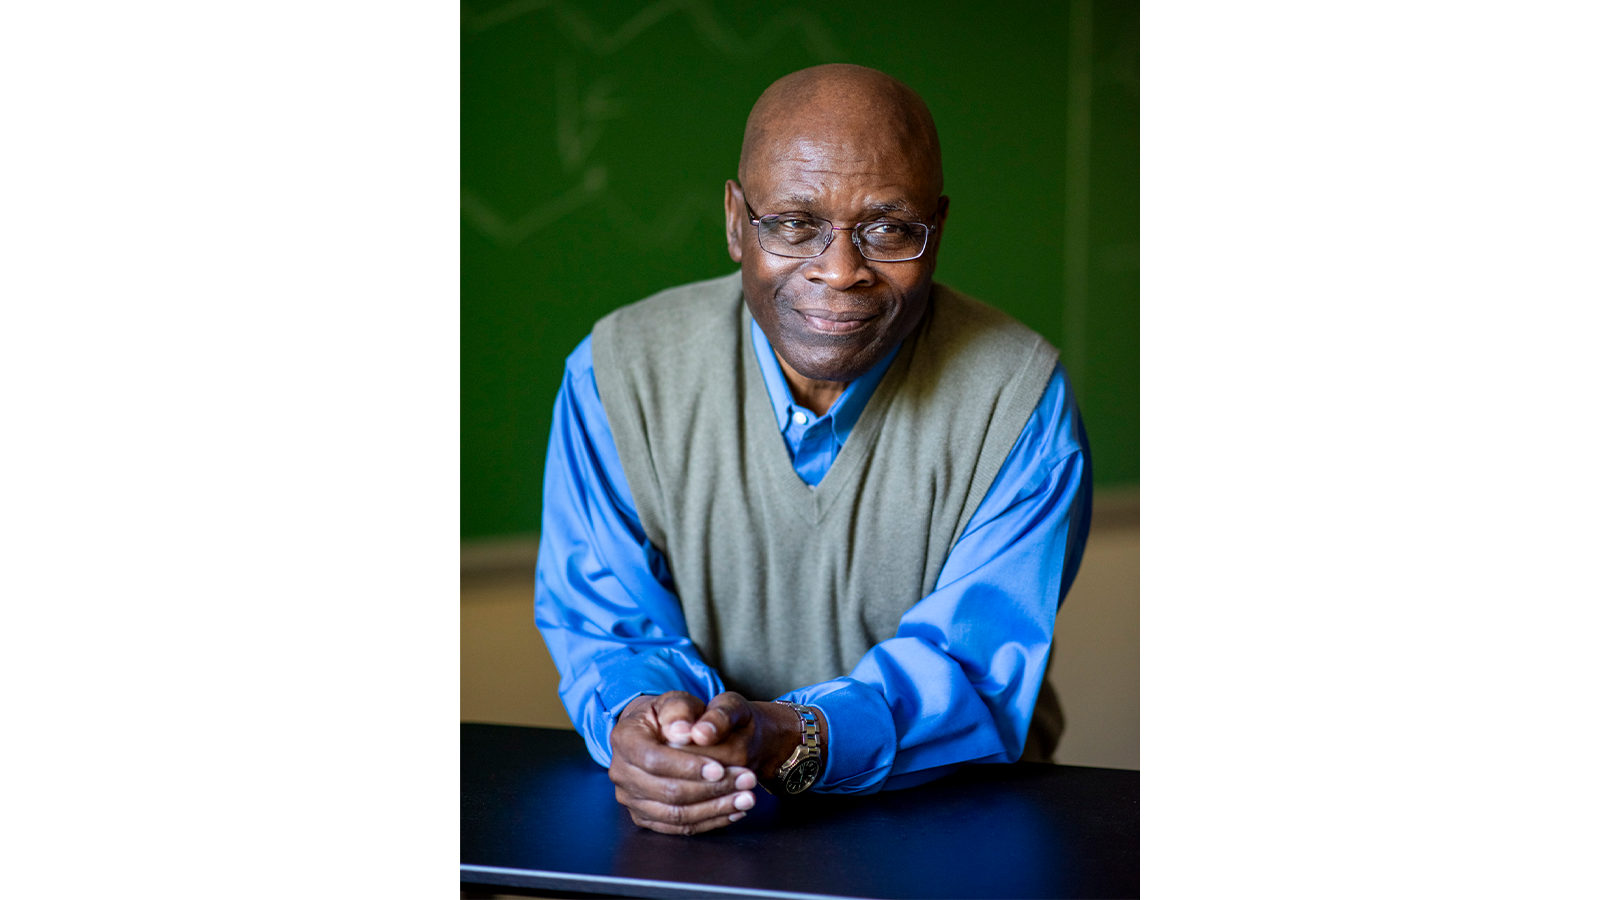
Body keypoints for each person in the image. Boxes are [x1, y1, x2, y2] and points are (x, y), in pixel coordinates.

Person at [534, 64, 1092, 835]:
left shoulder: (1018, 398)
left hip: (953, 829)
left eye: (889, 229)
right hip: (698, 821)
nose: (839, 271)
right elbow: (609, 625)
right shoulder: (616, 373)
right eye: (795, 224)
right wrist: (655, 724)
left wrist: (784, 735)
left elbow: (973, 669)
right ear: (736, 221)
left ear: (938, 228)